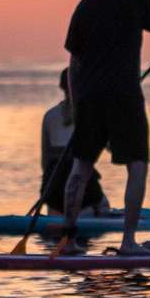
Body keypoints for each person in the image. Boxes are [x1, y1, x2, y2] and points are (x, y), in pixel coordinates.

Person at [58, 0, 150, 255]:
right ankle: (128, 242)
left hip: (89, 97)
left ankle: (68, 239)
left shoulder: (86, 3)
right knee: (137, 165)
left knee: (80, 167)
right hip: (125, 96)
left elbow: (73, 62)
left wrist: (76, 103)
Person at [43, 68, 111, 218]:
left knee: (55, 211)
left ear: (62, 87)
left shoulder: (49, 115)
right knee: (104, 206)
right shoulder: (91, 116)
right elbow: (111, 149)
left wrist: (48, 188)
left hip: (52, 181)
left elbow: (45, 160)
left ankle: (59, 214)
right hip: (81, 181)